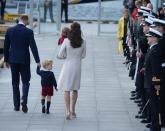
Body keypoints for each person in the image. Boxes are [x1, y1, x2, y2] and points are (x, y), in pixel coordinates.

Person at [4, 15, 40, 113]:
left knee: (15, 82)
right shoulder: (28, 32)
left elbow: (6, 47)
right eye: (28, 20)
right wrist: (38, 61)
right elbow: (33, 47)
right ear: (25, 20)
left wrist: (6, 60)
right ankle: (24, 99)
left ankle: (16, 106)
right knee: (25, 81)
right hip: (24, 60)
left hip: (13, 60)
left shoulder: (10, 30)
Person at [57, 22, 86, 120]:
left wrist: (66, 56)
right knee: (75, 89)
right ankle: (73, 110)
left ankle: (67, 110)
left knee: (66, 88)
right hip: (77, 66)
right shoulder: (83, 42)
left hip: (68, 65)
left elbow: (60, 55)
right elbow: (83, 56)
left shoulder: (66, 41)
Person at [144, 28, 162, 131]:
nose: (148, 38)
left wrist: (156, 83)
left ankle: (155, 127)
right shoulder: (152, 48)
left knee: (155, 106)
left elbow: (156, 69)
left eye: (149, 36)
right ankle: (153, 125)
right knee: (152, 104)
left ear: (154, 38)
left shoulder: (155, 51)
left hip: (153, 83)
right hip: (150, 82)